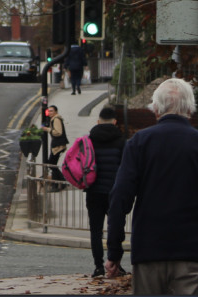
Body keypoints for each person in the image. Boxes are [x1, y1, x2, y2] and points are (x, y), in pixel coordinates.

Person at [105, 78, 198, 294]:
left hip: (149, 251)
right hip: (193, 252)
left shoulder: (139, 143)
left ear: (156, 108)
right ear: (190, 108)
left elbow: (119, 199)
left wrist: (114, 251)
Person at [85, 106, 125, 277]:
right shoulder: (122, 141)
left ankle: (98, 266)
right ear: (115, 122)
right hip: (115, 193)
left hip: (94, 191)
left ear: (98, 121)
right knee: (116, 228)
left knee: (96, 230)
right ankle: (115, 264)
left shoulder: (90, 140)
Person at [41, 104, 69, 186]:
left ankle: (58, 184)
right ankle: (61, 182)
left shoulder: (56, 119)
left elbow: (58, 132)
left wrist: (47, 129)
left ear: (56, 111)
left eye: (51, 111)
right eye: (49, 111)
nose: (50, 112)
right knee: (52, 164)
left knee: (51, 164)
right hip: (57, 145)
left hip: (58, 146)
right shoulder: (53, 119)